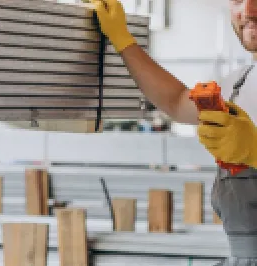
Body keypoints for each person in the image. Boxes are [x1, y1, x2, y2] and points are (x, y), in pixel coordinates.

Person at [91, 0, 257, 265]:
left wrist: (255, 152)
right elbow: (176, 101)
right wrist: (123, 40)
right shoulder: (238, 85)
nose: (248, 10)